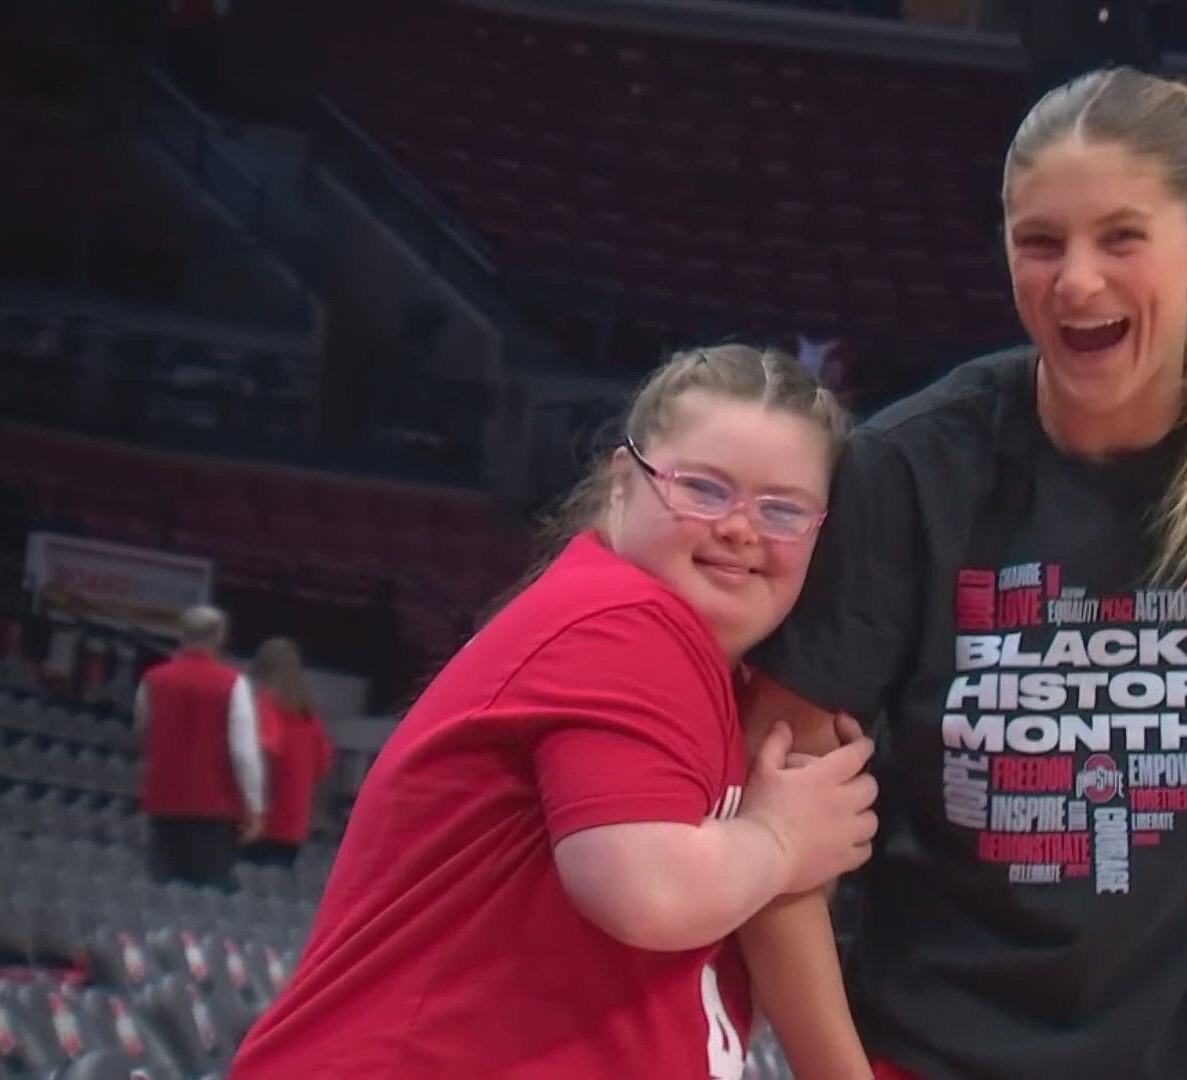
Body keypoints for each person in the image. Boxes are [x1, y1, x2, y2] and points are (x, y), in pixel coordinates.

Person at [737, 67, 1187, 1080]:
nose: (1076, 282)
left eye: (1120, 236)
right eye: (1039, 241)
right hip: (929, 1052)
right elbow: (774, 806)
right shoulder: (909, 470)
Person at [228, 345, 876, 1079]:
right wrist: (784, 840)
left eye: (781, 509)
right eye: (703, 489)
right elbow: (647, 893)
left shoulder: (709, 669)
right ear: (625, 484)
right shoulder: (623, 622)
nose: (739, 527)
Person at [136, 605, 265, 888]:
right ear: (220, 637)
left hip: (162, 803)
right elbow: (243, 752)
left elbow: (144, 732)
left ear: (181, 635)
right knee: (206, 899)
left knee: (159, 894)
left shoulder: (152, 680)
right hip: (213, 808)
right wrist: (254, 808)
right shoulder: (233, 683)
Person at [246, 637, 334, 869]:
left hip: (262, 818)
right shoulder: (309, 716)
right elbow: (323, 764)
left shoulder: (264, 704)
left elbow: (266, 750)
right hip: (294, 821)